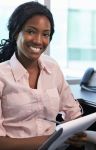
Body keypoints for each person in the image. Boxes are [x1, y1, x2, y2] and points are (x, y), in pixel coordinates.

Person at [0, 1, 86, 150]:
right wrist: (55, 138)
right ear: (15, 33)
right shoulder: (2, 75)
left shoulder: (52, 67)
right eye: (31, 31)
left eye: (45, 34)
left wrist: (75, 132)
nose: (39, 40)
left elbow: (73, 113)